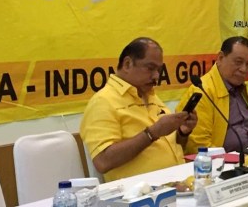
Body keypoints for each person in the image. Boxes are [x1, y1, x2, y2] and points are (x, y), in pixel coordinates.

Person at [80, 38, 197, 182]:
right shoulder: (103, 102)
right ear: (127, 64)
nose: (156, 76)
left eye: (159, 70)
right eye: (150, 68)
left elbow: (175, 147)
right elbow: (103, 161)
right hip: (141, 195)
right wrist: (152, 133)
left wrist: (182, 132)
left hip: (181, 183)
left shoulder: (152, 97)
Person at [176, 36, 248, 154]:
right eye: (238, 62)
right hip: (222, 165)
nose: (244, 69)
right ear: (220, 58)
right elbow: (198, 147)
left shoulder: (241, 88)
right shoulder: (203, 91)